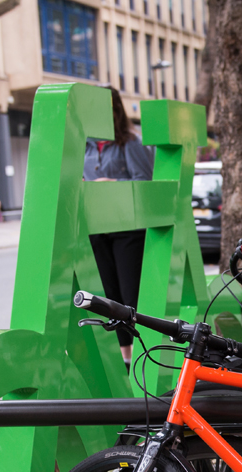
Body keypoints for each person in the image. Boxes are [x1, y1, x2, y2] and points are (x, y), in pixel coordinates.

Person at [84, 87, 156, 370]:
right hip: (97, 227)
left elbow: (144, 183)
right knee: (107, 294)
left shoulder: (130, 143)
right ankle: (124, 358)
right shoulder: (86, 147)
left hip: (128, 228)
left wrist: (110, 185)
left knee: (130, 295)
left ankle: (142, 354)